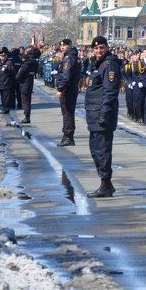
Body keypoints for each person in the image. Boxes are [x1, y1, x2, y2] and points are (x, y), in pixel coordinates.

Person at [83, 36, 122, 198]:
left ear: (107, 48)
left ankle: (105, 184)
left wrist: (104, 114)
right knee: (95, 149)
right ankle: (107, 184)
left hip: (102, 114)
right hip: (94, 113)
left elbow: (110, 92)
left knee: (102, 150)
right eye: (96, 48)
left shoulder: (109, 65)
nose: (99, 51)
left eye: (102, 48)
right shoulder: (97, 64)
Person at [54, 38, 81, 146]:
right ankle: (68, 135)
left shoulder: (69, 59)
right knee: (68, 112)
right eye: (61, 45)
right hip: (71, 88)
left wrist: (60, 89)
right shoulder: (72, 57)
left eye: (64, 45)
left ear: (70, 45)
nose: (62, 47)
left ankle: (68, 136)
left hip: (68, 89)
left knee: (67, 113)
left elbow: (66, 76)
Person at [16, 48, 39, 124]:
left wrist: (17, 78)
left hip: (24, 85)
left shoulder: (25, 65)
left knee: (25, 102)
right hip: (29, 84)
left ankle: (27, 117)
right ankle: (27, 116)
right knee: (28, 102)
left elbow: (18, 76)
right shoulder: (33, 64)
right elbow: (35, 71)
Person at [0, 48, 16, 114]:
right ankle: (4, 107)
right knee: (2, 98)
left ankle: (6, 109)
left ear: (6, 56)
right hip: (0, 83)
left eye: (4, 55)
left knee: (6, 98)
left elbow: (13, 72)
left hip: (6, 83)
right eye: (1, 55)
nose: (2, 57)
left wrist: (7, 69)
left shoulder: (9, 63)